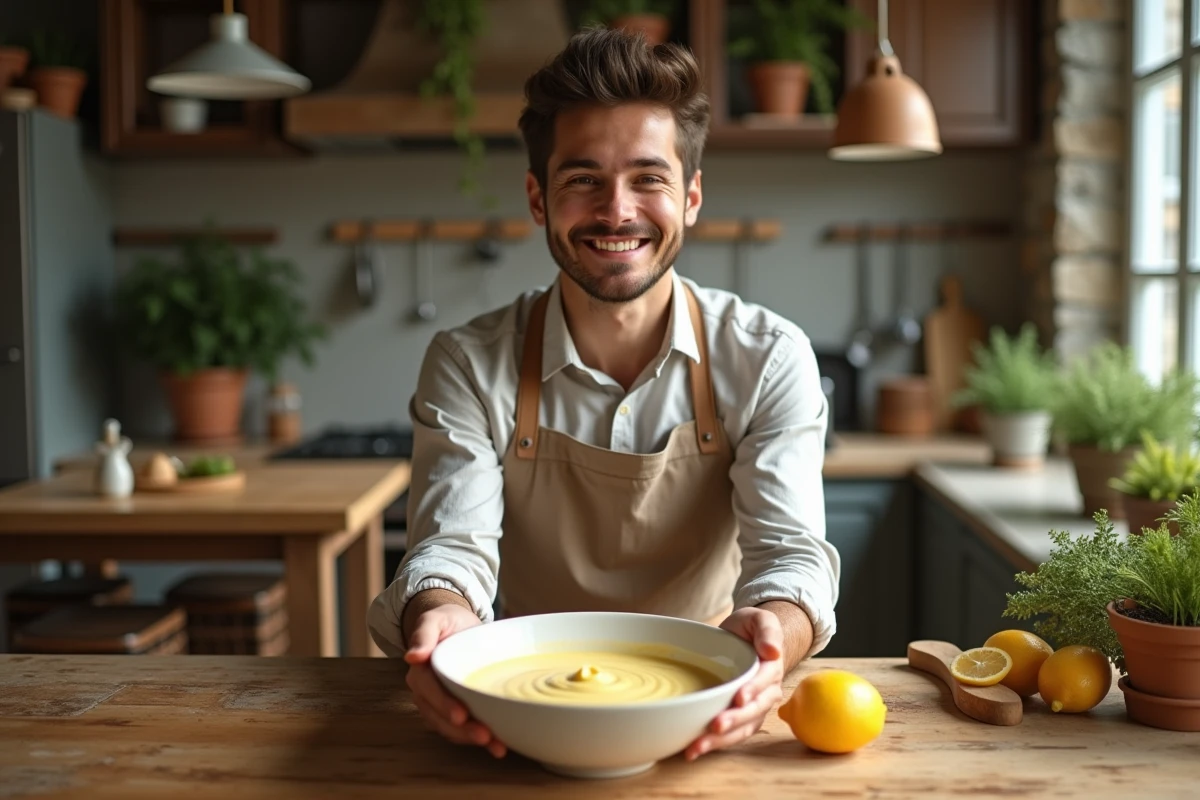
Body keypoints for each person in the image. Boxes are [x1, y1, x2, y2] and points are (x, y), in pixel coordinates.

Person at [368, 27, 840, 762]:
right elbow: (450, 552)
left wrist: (773, 636)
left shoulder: (769, 357)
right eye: (583, 178)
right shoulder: (468, 362)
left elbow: (791, 559)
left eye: (648, 178)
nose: (616, 211)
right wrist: (442, 617)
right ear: (537, 198)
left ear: (690, 198)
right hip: (515, 706)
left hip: (705, 696)